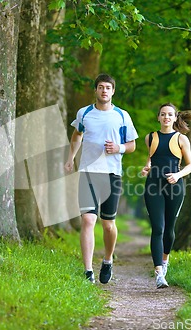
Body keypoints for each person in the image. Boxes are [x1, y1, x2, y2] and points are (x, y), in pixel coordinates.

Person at [65, 73, 138, 284]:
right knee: (88, 219)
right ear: (95, 90)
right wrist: (71, 158)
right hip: (88, 172)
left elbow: (132, 145)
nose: (104, 91)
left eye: (108, 87)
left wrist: (119, 148)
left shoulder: (122, 116)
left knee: (108, 224)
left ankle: (107, 260)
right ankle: (88, 271)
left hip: (112, 174)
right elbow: (77, 135)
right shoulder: (84, 113)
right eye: (100, 87)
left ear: (113, 91)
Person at [141, 103, 191, 288]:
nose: (166, 117)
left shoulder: (181, 139)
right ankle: (158, 274)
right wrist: (147, 167)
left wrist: (177, 175)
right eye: (163, 114)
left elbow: (190, 165)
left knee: (169, 229)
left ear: (174, 117)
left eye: (169, 115)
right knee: (158, 228)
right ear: (158, 117)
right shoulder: (150, 137)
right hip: (153, 186)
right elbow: (152, 156)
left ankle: (164, 261)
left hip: (175, 187)